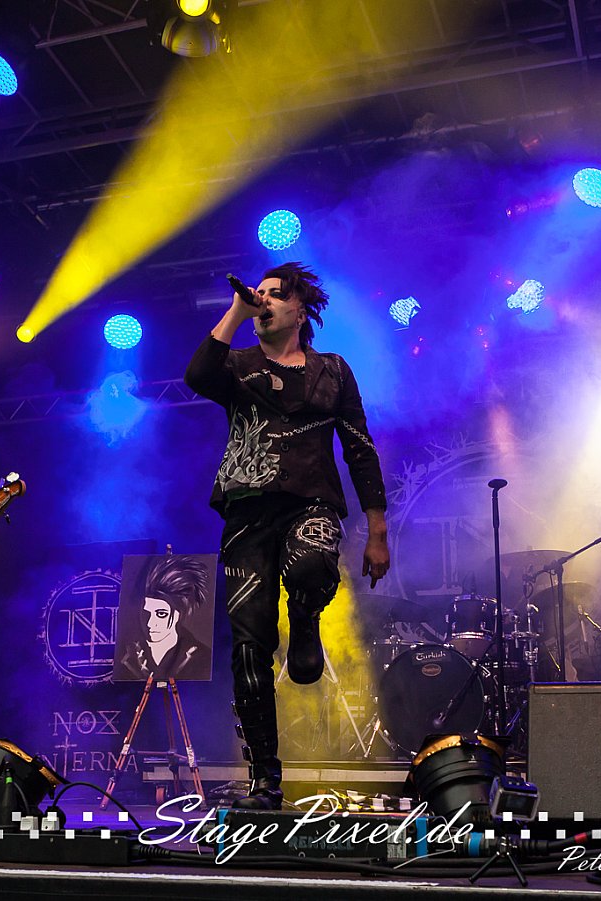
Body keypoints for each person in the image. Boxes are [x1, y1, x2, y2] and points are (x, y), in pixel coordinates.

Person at [186, 262, 391, 810]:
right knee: (249, 648)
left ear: (301, 310)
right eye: (259, 295)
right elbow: (197, 376)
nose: (264, 302)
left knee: (310, 564)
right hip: (247, 513)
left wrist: (377, 529)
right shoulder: (238, 365)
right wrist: (237, 311)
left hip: (311, 502)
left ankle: (305, 619)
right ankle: (264, 777)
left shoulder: (333, 371)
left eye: (275, 295)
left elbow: (360, 448)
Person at [116, 555, 214, 682]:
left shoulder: (201, 658)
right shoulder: (127, 655)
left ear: (178, 615)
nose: (150, 623)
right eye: (146, 612)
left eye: (161, 614)